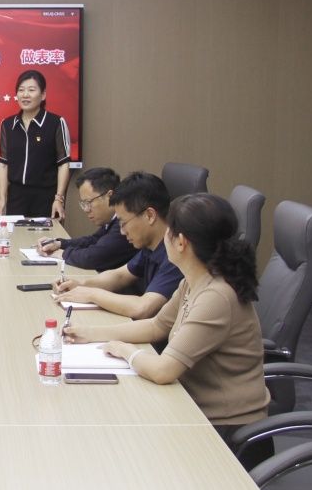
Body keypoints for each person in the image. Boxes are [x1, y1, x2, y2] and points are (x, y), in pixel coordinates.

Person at [62, 193, 272, 468]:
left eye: (169, 232)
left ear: (181, 242)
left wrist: (125, 351)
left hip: (227, 436)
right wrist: (91, 334)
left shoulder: (216, 296)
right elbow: (156, 326)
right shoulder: (194, 281)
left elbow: (163, 371)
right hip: (194, 410)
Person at [53, 172, 183, 319]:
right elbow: (120, 275)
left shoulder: (177, 253)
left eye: (124, 223)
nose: (122, 231)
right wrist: (81, 285)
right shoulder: (151, 245)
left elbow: (143, 308)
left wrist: (91, 294)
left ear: (150, 215)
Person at [0, 69, 72, 220]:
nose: (25, 95)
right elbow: (3, 164)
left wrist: (59, 198)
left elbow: (63, 164)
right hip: (16, 196)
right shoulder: (8, 125)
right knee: (15, 234)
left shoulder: (56, 123)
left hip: (46, 197)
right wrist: (2, 198)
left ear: (43, 95)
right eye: (21, 90)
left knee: (46, 235)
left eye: (31, 90)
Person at [34, 167, 137, 271]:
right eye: (83, 204)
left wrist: (62, 253)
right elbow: (93, 240)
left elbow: (94, 257)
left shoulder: (125, 222)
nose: (86, 210)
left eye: (88, 202)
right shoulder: (111, 220)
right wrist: (59, 244)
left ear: (109, 196)